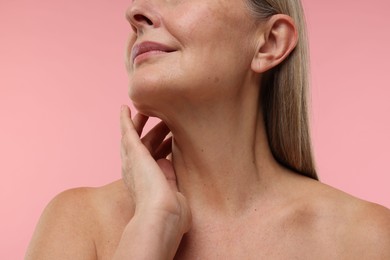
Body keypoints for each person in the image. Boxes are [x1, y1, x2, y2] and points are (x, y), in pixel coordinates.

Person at [26, 0, 390, 259]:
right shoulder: (77, 224)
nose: (133, 12)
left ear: (270, 42)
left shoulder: (370, 241)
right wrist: (149, 234)